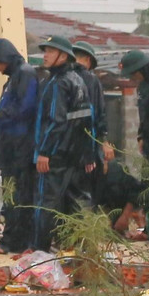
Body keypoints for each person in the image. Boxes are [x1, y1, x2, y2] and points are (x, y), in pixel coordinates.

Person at [30, 35, 95, 250]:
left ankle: (40, 253)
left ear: (63, 55)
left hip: (55, 156)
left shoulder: (58, 83)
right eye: (45, 50)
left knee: (45, 204)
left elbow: (55, 121)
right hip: (74, 157)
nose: (45, 55)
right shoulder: (78, 80)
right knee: (75, 205)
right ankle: (82, 250)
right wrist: (89, 153)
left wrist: (44, 152)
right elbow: (88, 120)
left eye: (50, 51)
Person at [0, 37, 38, 252]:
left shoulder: (25, 75)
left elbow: (24, 108)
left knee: (18, 197)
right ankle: (12, 241)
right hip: (11, 149)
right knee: (11, 197)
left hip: (21, 148)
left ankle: (14, 242)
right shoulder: (15, 77)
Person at [71, 41, 111, 180]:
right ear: (88, 60)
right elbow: (98, 114)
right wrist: (103, 142)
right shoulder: (91, 80)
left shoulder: (58, 78)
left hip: (61, 152)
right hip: (86, 151)